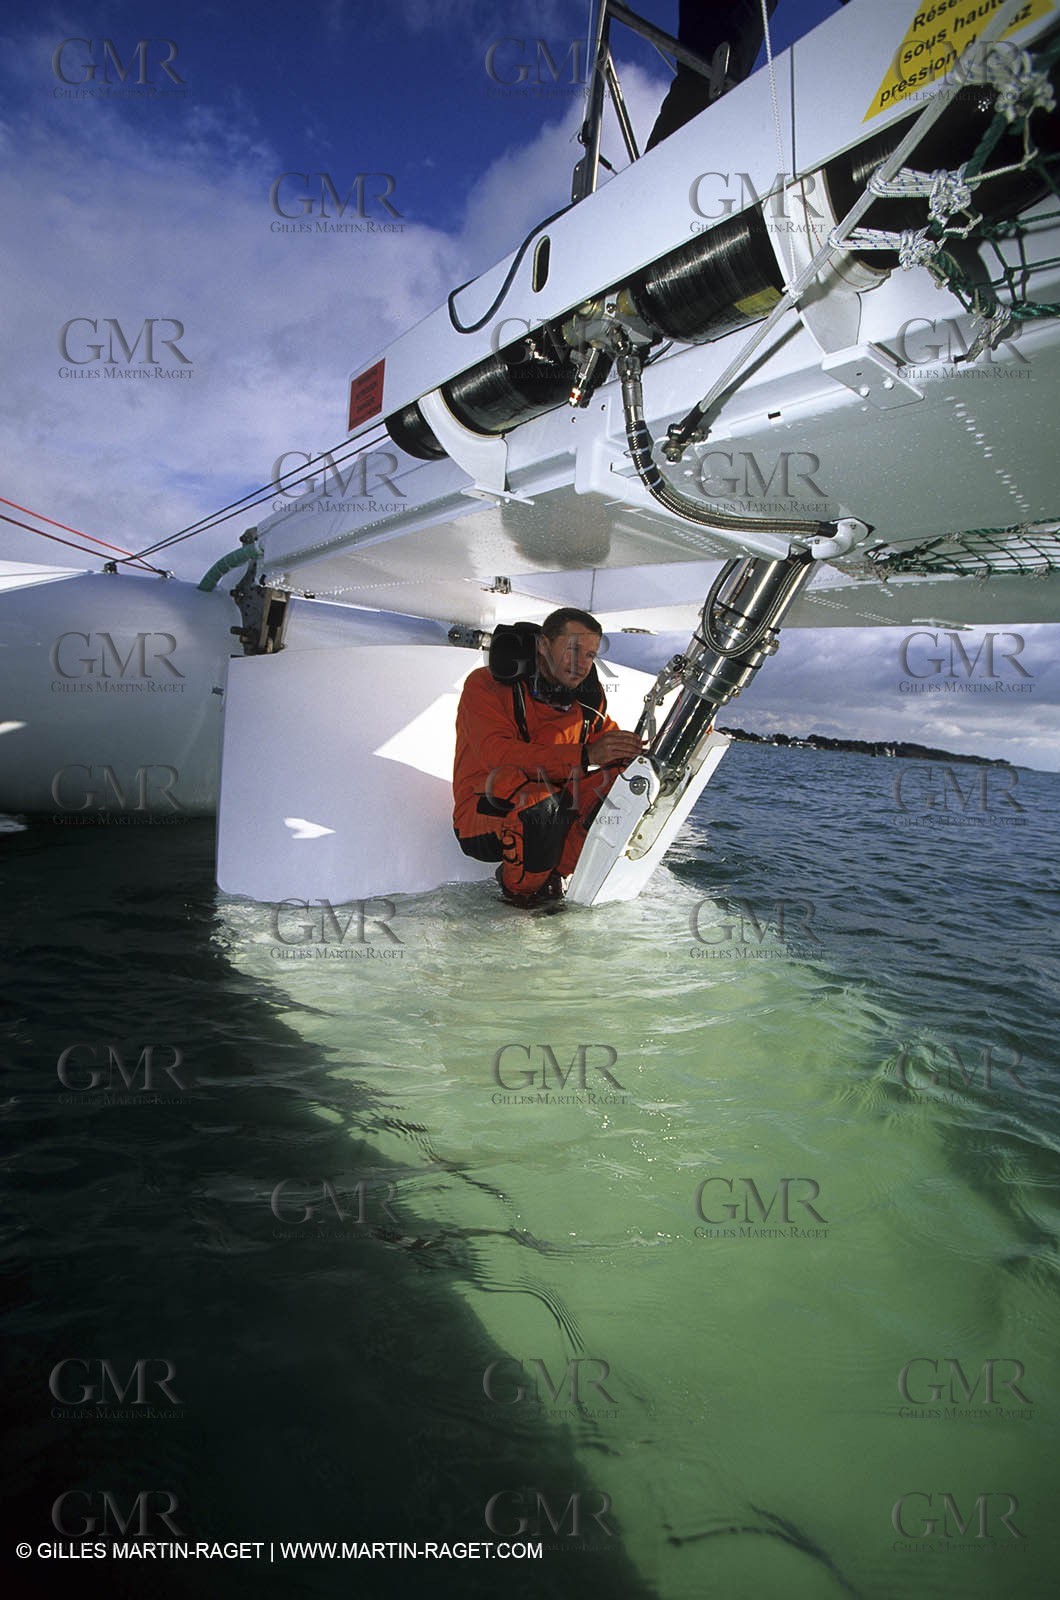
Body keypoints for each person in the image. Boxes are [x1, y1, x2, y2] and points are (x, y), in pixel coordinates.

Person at [452, 608, 645, 907]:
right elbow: (498, 755)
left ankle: (554, 876)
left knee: (624, 779)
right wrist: (585, 754)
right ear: (543, 644)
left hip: (553, 806)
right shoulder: (485, 685)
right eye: (573, 650)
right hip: (483, 812)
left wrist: (642, 755)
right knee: (540, 806)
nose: (582, 664)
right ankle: (521, 896)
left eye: (590, 655)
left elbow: (611, 745)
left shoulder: (586, 703)